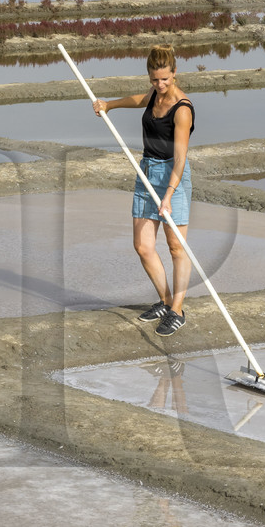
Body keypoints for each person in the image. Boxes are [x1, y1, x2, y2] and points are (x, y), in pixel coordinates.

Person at [92, 45, 195, 337]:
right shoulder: (154, 94)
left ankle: (177, 310)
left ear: (175, 73)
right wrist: (108, 105)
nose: (160, 86)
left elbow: (180, 158)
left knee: (176, 247)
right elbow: (140, 99)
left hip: (172, 176)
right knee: (143, 246)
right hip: (146, 170)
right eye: (154, 80)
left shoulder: (182, 109)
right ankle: (164, 301)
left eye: (165, 79)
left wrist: (168, 194)